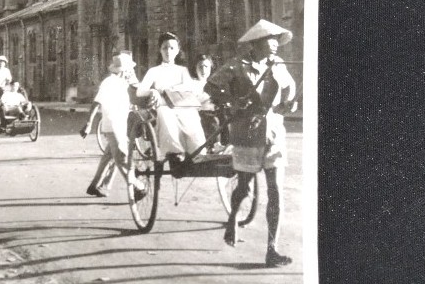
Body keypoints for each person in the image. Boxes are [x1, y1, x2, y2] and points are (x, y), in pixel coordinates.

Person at [206, 19, 298, 268]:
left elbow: (289, 91)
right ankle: (233, 218)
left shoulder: (278, 65)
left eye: (277, 39)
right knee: (244, 188)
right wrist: (230, 103)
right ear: (255, 43)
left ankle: (272, 249)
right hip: (247, 134)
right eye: (270, 39)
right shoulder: (237, 66)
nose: (275, 44)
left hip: (274, 133)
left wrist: (290, 104)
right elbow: (211, 85)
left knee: (276, 192)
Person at [81, 53, 147, 199]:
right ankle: (139, 186)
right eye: (129, 70)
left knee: (108, 156)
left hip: (120, 125)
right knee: (121, 159)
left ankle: (94, 185)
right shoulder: (109, 82)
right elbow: (96, 103)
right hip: (113, 125)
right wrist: (89, 124)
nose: (131, 72)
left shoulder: (124, 83)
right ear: (123, 70)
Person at [135, 32, 207, 161]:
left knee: (192, 117)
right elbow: (140, 91)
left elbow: (189, 87)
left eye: (172, 48)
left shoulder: (182, 70)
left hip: (181, 105)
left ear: (177, 51)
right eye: (165, 48)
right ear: (160, 50)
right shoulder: (154, 71)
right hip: (163, 105)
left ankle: (197, 151)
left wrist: (172, 89)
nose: (168, 51)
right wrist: (152, 91)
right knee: (166, 114)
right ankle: (174, 152)